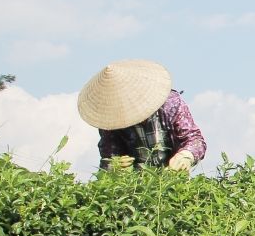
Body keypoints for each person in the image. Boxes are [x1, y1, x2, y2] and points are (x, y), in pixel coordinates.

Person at [77, 59, 206, 173]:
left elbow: (194, 140)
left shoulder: (170, 104)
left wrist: (186, 156)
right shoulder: (111, 120)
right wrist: (114, 166)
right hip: (134, 186)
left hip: (172, 179)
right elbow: (108, 156)